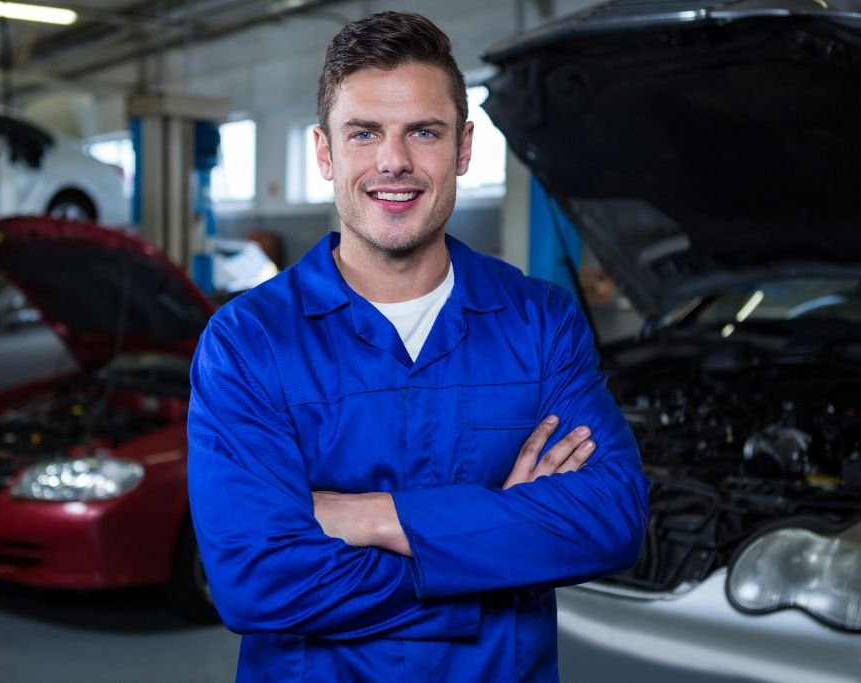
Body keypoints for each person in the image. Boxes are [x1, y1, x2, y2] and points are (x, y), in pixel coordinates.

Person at [187, 11, 649, 682]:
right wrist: (494, 542)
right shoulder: (247, 342)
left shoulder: (539, 322)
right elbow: (255, 579)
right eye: (364, 133)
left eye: (423, 132)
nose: (393, 161)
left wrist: (372, 516)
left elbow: (612, 519)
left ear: (463, 148)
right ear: (325, 153)